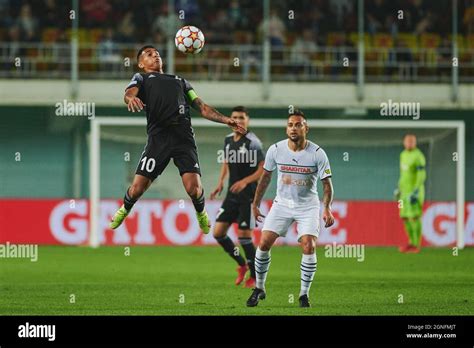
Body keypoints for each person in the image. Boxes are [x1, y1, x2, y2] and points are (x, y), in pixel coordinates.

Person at [109, 45, 246, 234]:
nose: (155, 56)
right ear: (141, 63)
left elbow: (202, 107)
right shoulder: (142, 78)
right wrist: (130, 99)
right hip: (158, 140)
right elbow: (129, 93)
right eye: (149, 55)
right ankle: (125, 209)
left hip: (184, 140)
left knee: (194, 190)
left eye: (157, 53)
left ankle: (200, 213)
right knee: (137, 189)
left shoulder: (180, 81)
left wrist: (226, 120)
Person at [247, 109, 335, 308]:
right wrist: (256, 203)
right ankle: (259, 288)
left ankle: (304, 294)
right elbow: (266, 177)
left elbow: (327, 185)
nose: (293, 128)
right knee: (263, 243)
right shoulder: (276, 149)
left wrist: (327, 208)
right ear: (286, 129)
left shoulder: (318, 154)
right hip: (282, 205)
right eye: (290, 125)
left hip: (308, 206)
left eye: (298, 124)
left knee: (308, 245)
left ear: (306, 128)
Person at [210, 106, 265, 288]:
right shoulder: (227, 140)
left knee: (244, 236)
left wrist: (245, 182)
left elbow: (263, 170)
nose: (238, 120)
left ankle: (255, 275)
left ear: (247, 120)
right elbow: (226, 161)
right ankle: (242, 265)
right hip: (231, 195)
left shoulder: (253, 142)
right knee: (218, 233)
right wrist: (220, 182)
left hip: (248, 197)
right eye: (234, 117)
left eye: (241, 117)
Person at [395, 134, 426, 253]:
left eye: (412, 141)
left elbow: (421, 174)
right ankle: (410, 242)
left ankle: (416, 245)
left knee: (414, 216)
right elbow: (404, 174)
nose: (409, 143)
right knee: (404, 217)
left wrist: (416, 190)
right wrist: (399, 187)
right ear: (404, 142)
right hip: (403, 193)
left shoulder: (418, 156)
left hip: (414, 193)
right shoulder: (402, 155)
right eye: (407, 141)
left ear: (415, 143)